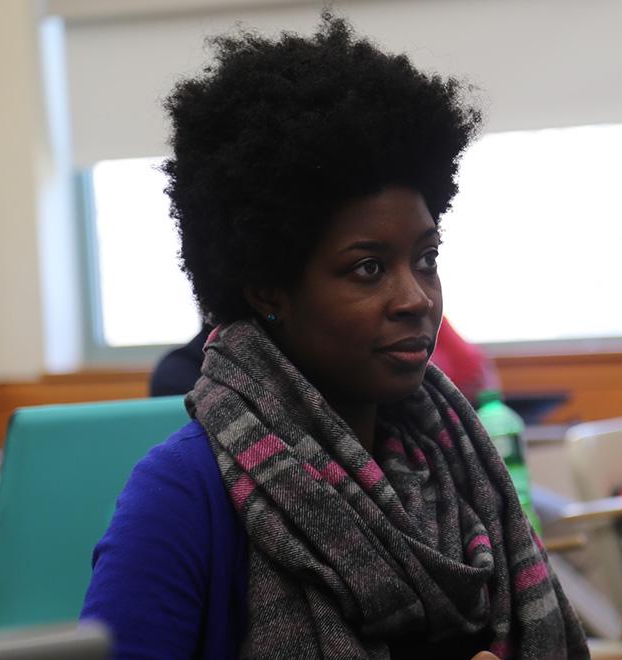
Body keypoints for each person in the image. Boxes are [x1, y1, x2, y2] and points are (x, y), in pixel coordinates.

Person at [80, 13, 588, 660]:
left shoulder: (458, 473)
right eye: (368, 268)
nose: (415, 298)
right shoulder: (183, 494)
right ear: (268, 288)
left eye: (425, 259)